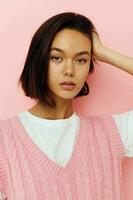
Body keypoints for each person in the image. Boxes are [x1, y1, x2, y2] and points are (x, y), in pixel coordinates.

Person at [0, 11, 133, 200]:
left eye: (81, 60)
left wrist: (104, 53)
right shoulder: (4, 141)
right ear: (39, 60)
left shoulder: (111, 134)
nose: (69, 70)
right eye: (56, 58)